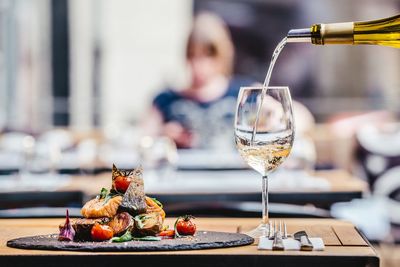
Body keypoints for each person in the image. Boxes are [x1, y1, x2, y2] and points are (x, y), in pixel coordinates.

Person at [144, 12, 254, 149]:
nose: (198, 65)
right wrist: (162, 136)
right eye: (192, 55)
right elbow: (143, 142)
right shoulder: (166, 99)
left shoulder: (245, 94)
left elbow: (277, 119)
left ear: (223, 55)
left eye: (208, 55)